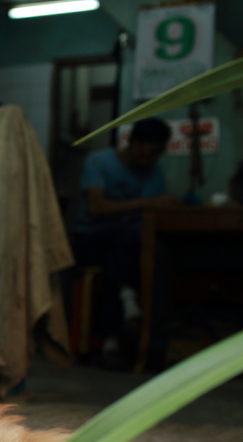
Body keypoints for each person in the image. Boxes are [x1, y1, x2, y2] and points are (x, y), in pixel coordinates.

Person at [72, 118, 177, 368]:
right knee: (123, 242)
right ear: (132, 142)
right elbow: (96, 208)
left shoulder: (155, 172)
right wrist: (146, 203)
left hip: (127, 245)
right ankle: (129, 312)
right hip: (91, 237)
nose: (149, 157)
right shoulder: (99, 162)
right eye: (146, 149)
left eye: (156, 153)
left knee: (151, 252)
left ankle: (123, 339)